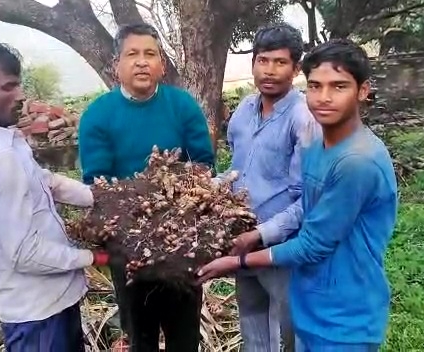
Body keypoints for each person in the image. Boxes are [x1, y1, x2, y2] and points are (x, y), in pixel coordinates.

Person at [198, 39, 399, 351]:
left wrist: (236, 261)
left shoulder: (358, 161)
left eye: (339, 86)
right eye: (316, 86)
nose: (324, 98)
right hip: (311, 300)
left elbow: (312, 245)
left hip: (346, 316)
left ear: (362, 90)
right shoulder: (315, 145)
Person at [0, 31, 109, 352]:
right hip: (38, 315)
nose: (20, 95)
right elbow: (25, 253)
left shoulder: (2, 141)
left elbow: (47, 181)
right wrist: (95, 257)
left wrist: (106, 197)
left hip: (52, 302)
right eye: (8, 87)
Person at [78, 23, 215, 352]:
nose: (141, 62)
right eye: (132, 54)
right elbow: (97, 184)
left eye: (150, 54)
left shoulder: (182, 106)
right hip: (128, 252)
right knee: (141, 339)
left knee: (184, 338)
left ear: (161, 65)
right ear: (117, 65)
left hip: (181, 245)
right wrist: (141, 215)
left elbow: (204, 165)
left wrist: (174, 209)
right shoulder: (97, 116)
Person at [213, 23, 319, 352]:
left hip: (282, 248)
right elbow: (237, 171)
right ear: (253, 62)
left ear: (295, 68)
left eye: (280, 62)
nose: (269, 71)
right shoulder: (244, 110)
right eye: (262, 60)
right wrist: (210, 187)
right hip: (241, 238)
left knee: (295, 331)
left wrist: (261, 235)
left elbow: (307, 201)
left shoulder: (304, 119)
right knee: (253, 321)